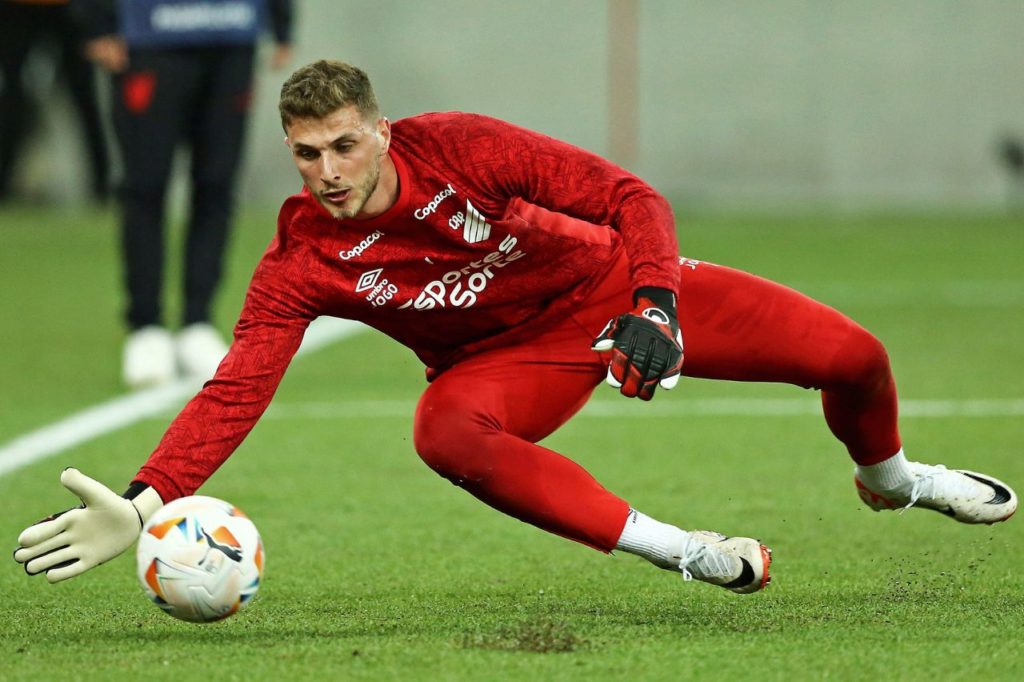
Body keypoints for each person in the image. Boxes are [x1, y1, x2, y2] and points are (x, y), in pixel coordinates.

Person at [14, 60, 1018, 592]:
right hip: (508, 360)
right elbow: (235, 387)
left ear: (382, 130)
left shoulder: (465, 149)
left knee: (856, 357)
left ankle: (895, 481)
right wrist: (147, 502)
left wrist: (655, 301)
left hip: (609, 287)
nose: (326, 170)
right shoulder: (300, 263)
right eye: (306, 152)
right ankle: (685, 552)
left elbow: (628, 193)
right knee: (442, 430)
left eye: (343, 145)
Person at [73, 0, 294, 388]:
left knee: (217, 184)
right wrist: (95, 20)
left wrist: (280, 19)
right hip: (149, 34)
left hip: (231, 33)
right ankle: (146, 326)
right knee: (144, 185)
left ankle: (197, 320)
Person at [0, 0, 110, 203]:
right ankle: (3, 182)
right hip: (18, 8)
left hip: (70, 7)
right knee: (13, 99)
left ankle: (102, 184)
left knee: (83, 95)